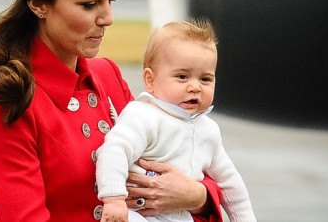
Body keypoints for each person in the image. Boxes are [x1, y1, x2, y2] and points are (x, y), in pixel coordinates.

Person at [0, 0, 223, 221]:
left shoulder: (106, 74)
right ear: (38, 4)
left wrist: (198, 196)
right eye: (89, 4)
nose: (107, 17)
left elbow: (170, 153)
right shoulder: (7, 98)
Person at [96, 19, 257, 222]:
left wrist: (245, 218)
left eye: (205, 79)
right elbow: (114, 150)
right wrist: (114, 199)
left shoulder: (208, 130)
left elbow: (229, 181)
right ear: (150, 80)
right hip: (137, 213)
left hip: (181, 216)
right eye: (182, 76)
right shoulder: (143, 115)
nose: (195, 87)